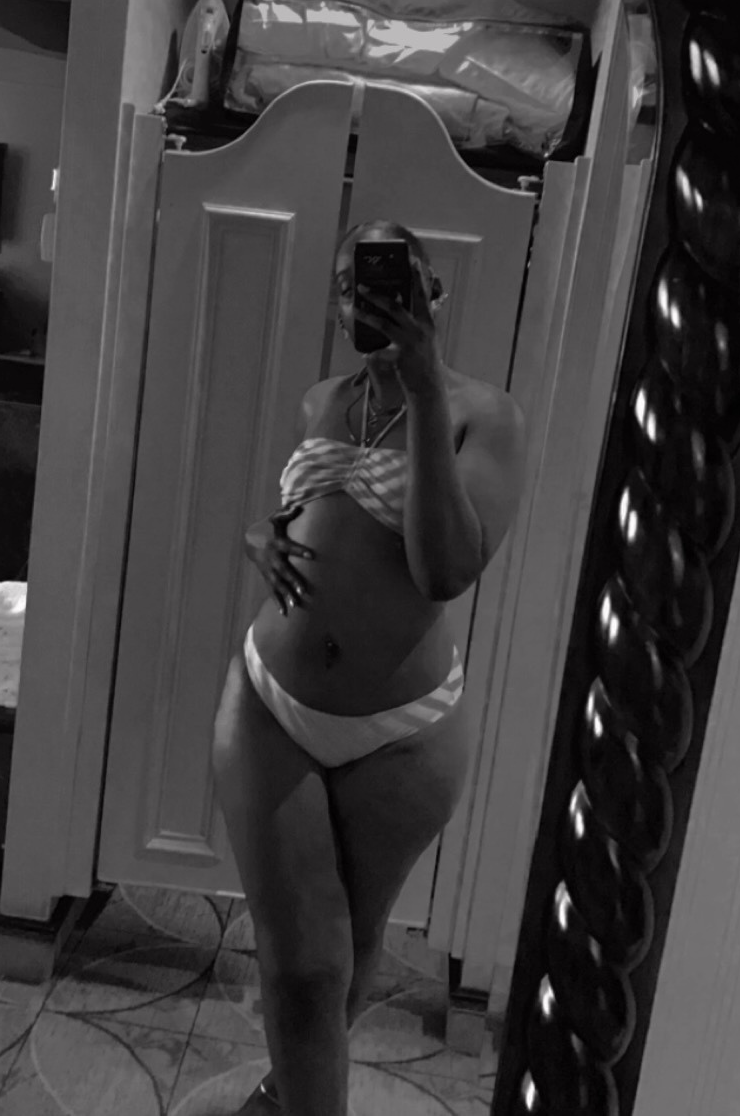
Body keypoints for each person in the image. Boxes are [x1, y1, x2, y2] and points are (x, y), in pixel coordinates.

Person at [212, 218, 527, 1116]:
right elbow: (308, 512)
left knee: (344, 949)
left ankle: (284, 1093)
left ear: (433, 294)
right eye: (351, 284)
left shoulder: (484, 415)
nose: (366, 297)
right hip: (270, 703)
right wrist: (260, 534)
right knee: (303, 967)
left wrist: (422, 392)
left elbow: (445, 569)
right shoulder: (320, 400)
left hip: (403, 733)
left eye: (390, 280)